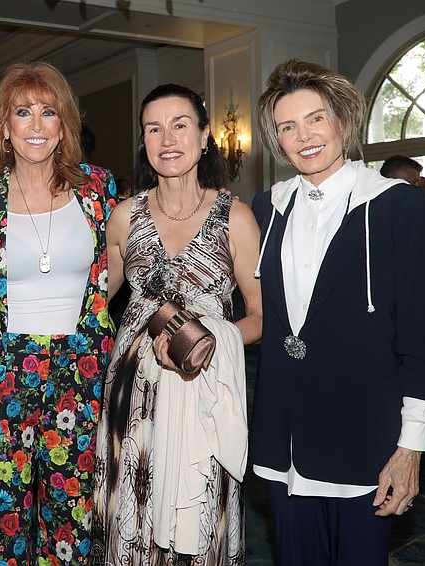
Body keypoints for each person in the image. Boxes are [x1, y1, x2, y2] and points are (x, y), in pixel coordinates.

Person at [250, 59, 425, 566]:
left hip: (365, 441)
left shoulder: (395, 206)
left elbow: (423, 342)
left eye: (316, 118)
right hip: (283, 440)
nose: (304, 136)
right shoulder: (265, 209)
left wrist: (411, 448)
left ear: (342, 120)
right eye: (287, 126)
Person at [0, 61, 116, 565]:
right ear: (5, 126)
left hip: (81, 376)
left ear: (65, 124)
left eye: (49, 112)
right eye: (24, 112)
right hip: (0, 378)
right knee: (2, 534)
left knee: (73, 526)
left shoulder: (97, 189)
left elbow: (128, 271)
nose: (38, 125)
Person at [92, 83, 263, 565]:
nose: (167, 138)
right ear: (144, 141)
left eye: (180, 125)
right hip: (133, 393)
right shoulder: (124, 217)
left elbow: (261, 316)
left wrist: (212, 337)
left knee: (198, 510)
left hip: (203, 387)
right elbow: (92, 300)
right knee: (134, 511)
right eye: (154, 128)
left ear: (206, 136)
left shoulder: (236, 218)